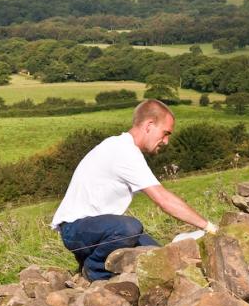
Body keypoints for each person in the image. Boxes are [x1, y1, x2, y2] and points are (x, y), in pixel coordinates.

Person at [50, 99, 218, 281]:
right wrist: (209, 227)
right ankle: (94, 270)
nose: (166, 141)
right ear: (149, 125)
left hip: (97, 231)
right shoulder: (123, 152)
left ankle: (97, 261)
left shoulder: (123, 148)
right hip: (76, 229)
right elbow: (163, 200)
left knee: (158, 257)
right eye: (165, 133)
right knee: (130, 227)